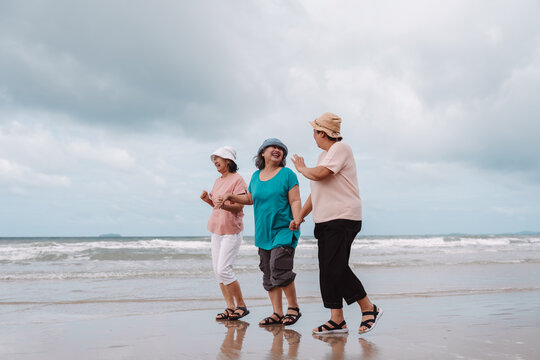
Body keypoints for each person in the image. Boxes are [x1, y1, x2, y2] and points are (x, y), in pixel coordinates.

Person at [290, 112, 383, 335]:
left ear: (322, 132)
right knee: (327, 269)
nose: (313, 135)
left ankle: (369, 307)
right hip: (325, 219)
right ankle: (337, 320)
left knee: (336, 267)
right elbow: (316, 191)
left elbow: (319, 175)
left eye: (314, 131)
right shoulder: (325, 157)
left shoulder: (341, 149)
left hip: (343, 217)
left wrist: (302, 169)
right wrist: (300, 216)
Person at [216, 138, 302, 326]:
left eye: (281, 149)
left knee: (279, 265)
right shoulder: (256, 176)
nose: (278, 150)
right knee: (268, 271)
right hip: (263, 232)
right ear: (262, 153)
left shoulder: (287, 174)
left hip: (285, 228)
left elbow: (295, 200)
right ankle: (277, 313)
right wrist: (231, 196)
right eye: (274, 147)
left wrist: (297, 218)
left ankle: (293, 308)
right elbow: (250, 198)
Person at [201, 146, 250, 321]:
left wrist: (225, 205)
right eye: (214, 159)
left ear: (228, 161)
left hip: (231, 230)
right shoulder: (217, 181)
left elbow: (239, 206)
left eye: (218, 158)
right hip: (216, 229)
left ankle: (241, 306)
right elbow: (216, 205)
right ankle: (230, 307)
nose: (215, 161)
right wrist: (208, 199)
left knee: (224, 269)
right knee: (217, 271)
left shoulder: (238, 180)